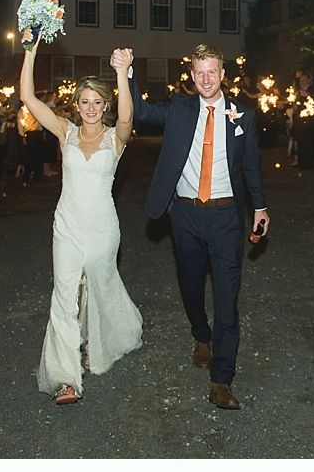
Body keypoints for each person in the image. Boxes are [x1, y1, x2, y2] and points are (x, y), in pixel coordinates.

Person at [125, 43, 269, 410]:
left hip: (226, 217)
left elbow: (252, 165)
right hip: (186, 215)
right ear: (192, 76)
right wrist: (127, 72)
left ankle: (221, 380)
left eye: (213, 72)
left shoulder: (243, 115)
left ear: (223, 75)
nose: (206, 79)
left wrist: (261, 207)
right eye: (199, 72)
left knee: (227, 299)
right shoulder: (179, 108)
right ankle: (200, 334)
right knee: (190, 286)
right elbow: (139, 111)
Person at [20, 35, 142, 406]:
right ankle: (65, 376)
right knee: (64, 295)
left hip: (104, 228)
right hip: (68, 226)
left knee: (100, 286)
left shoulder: (115, 138)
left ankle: (104, 339)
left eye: (97, 102)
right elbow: (28, 98)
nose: (91, 108)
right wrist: (31, 49)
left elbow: (127, 116)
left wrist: (122, 73)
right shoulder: (65, 132)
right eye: (84, 102)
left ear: (104, 105)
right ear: (76, 105)